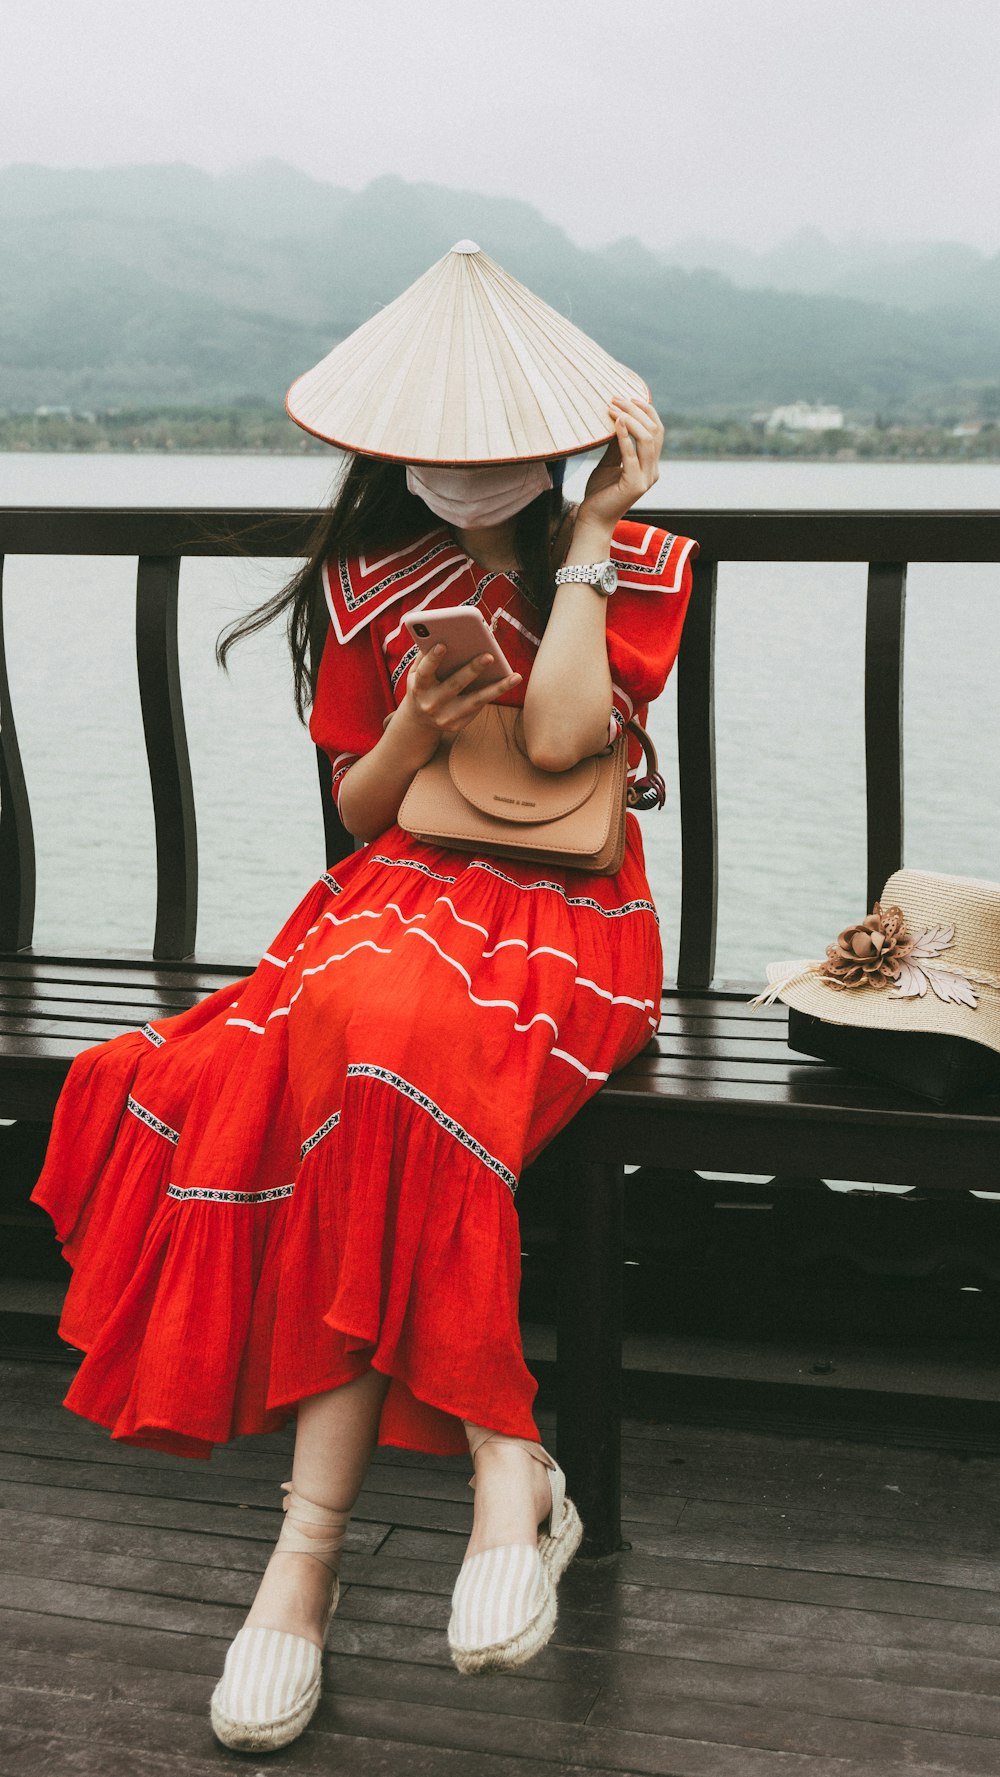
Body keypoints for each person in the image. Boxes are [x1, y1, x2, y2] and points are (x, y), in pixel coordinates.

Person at [28, 243, 697, 1754]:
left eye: (498, 455)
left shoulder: (639, 562)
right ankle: (504, 1464)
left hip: (573, 917)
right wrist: (404, 719)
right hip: (396, 896)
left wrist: (591, 532)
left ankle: (303, 1568)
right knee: (357, 1056)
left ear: (553, 444)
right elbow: (360, 812)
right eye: (438, 456)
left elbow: (575, 740)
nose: (465, 479)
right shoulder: (362, 579)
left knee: (375, 1055)